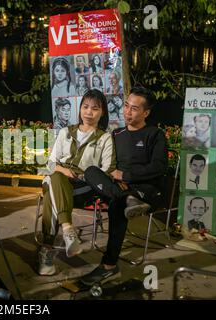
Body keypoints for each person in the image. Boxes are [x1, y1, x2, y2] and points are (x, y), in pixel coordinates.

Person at [80, 87, 167, 286]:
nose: (127, 112)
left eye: (134, 109)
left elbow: (160, 167)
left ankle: (109, 266)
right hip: (118, 187)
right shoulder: (116, 134)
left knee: (117, 206)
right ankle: (124, 198)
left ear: (146, 113)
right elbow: (107, 163)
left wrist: (126, 175)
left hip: (146, 189)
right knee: (91, 171)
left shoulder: (155, 134)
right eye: (126, 106)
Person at [38, 89, 115, 276]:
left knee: (51, 195)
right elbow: (50, 162)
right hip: (58, 175)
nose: (89, 112)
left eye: (95, 108)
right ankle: (67, 229)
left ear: (102, 112)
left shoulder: (104, 138)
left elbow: (108, 170)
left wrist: (84, 176)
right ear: (80, 109)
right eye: (85, 107)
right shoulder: (66, 132)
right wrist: (64, 170)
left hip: (84, 187)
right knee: (55, 177)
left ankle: (47, 252)